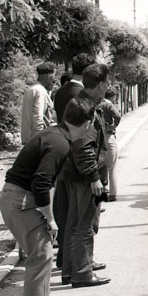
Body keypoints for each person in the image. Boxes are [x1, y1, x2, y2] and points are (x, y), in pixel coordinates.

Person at [0, 101, 96, 296]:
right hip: (21, 201)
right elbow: (41, 183)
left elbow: (46, 183)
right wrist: (51, 220)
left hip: (19, 198)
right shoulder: (59, 144)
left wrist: (49, 215)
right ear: (88, 123)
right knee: (40, 256)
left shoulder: (56, 135)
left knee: (44, 254)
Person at [60, 63, 111, 288]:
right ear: (100, 85)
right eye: (107, 83)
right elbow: (83, 146)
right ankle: (82, 273)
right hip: (84, 176)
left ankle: (72, 269)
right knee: (85, 224)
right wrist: (94, 177)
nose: (108, 86)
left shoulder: (82, 103)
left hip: (76, 173)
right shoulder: (85, 108)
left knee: (74, 223)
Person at [52, 53, 95, 269]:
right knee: (79, 217)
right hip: (77, 156)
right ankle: (79, 262)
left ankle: (66, 260)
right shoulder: (82, 95)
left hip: (63, 156)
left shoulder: (60, 91)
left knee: (66, 213)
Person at [20, 62, 57, 145]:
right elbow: (38, 117)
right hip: (37, 139)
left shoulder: (32, 89)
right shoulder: (40, 91)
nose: (54, 78)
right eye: (53, 75)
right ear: (48, 75)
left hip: (29, 137)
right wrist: (40, 139)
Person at [99, 86, 121, 201]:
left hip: (98, 138)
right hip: (108, 136)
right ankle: (112, 194)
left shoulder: (97, 103)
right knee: (112, 167)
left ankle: (102, 192)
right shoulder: (108, 105)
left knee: (100, 166)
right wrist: (114, 126)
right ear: (112, 96)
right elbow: (117, 115)